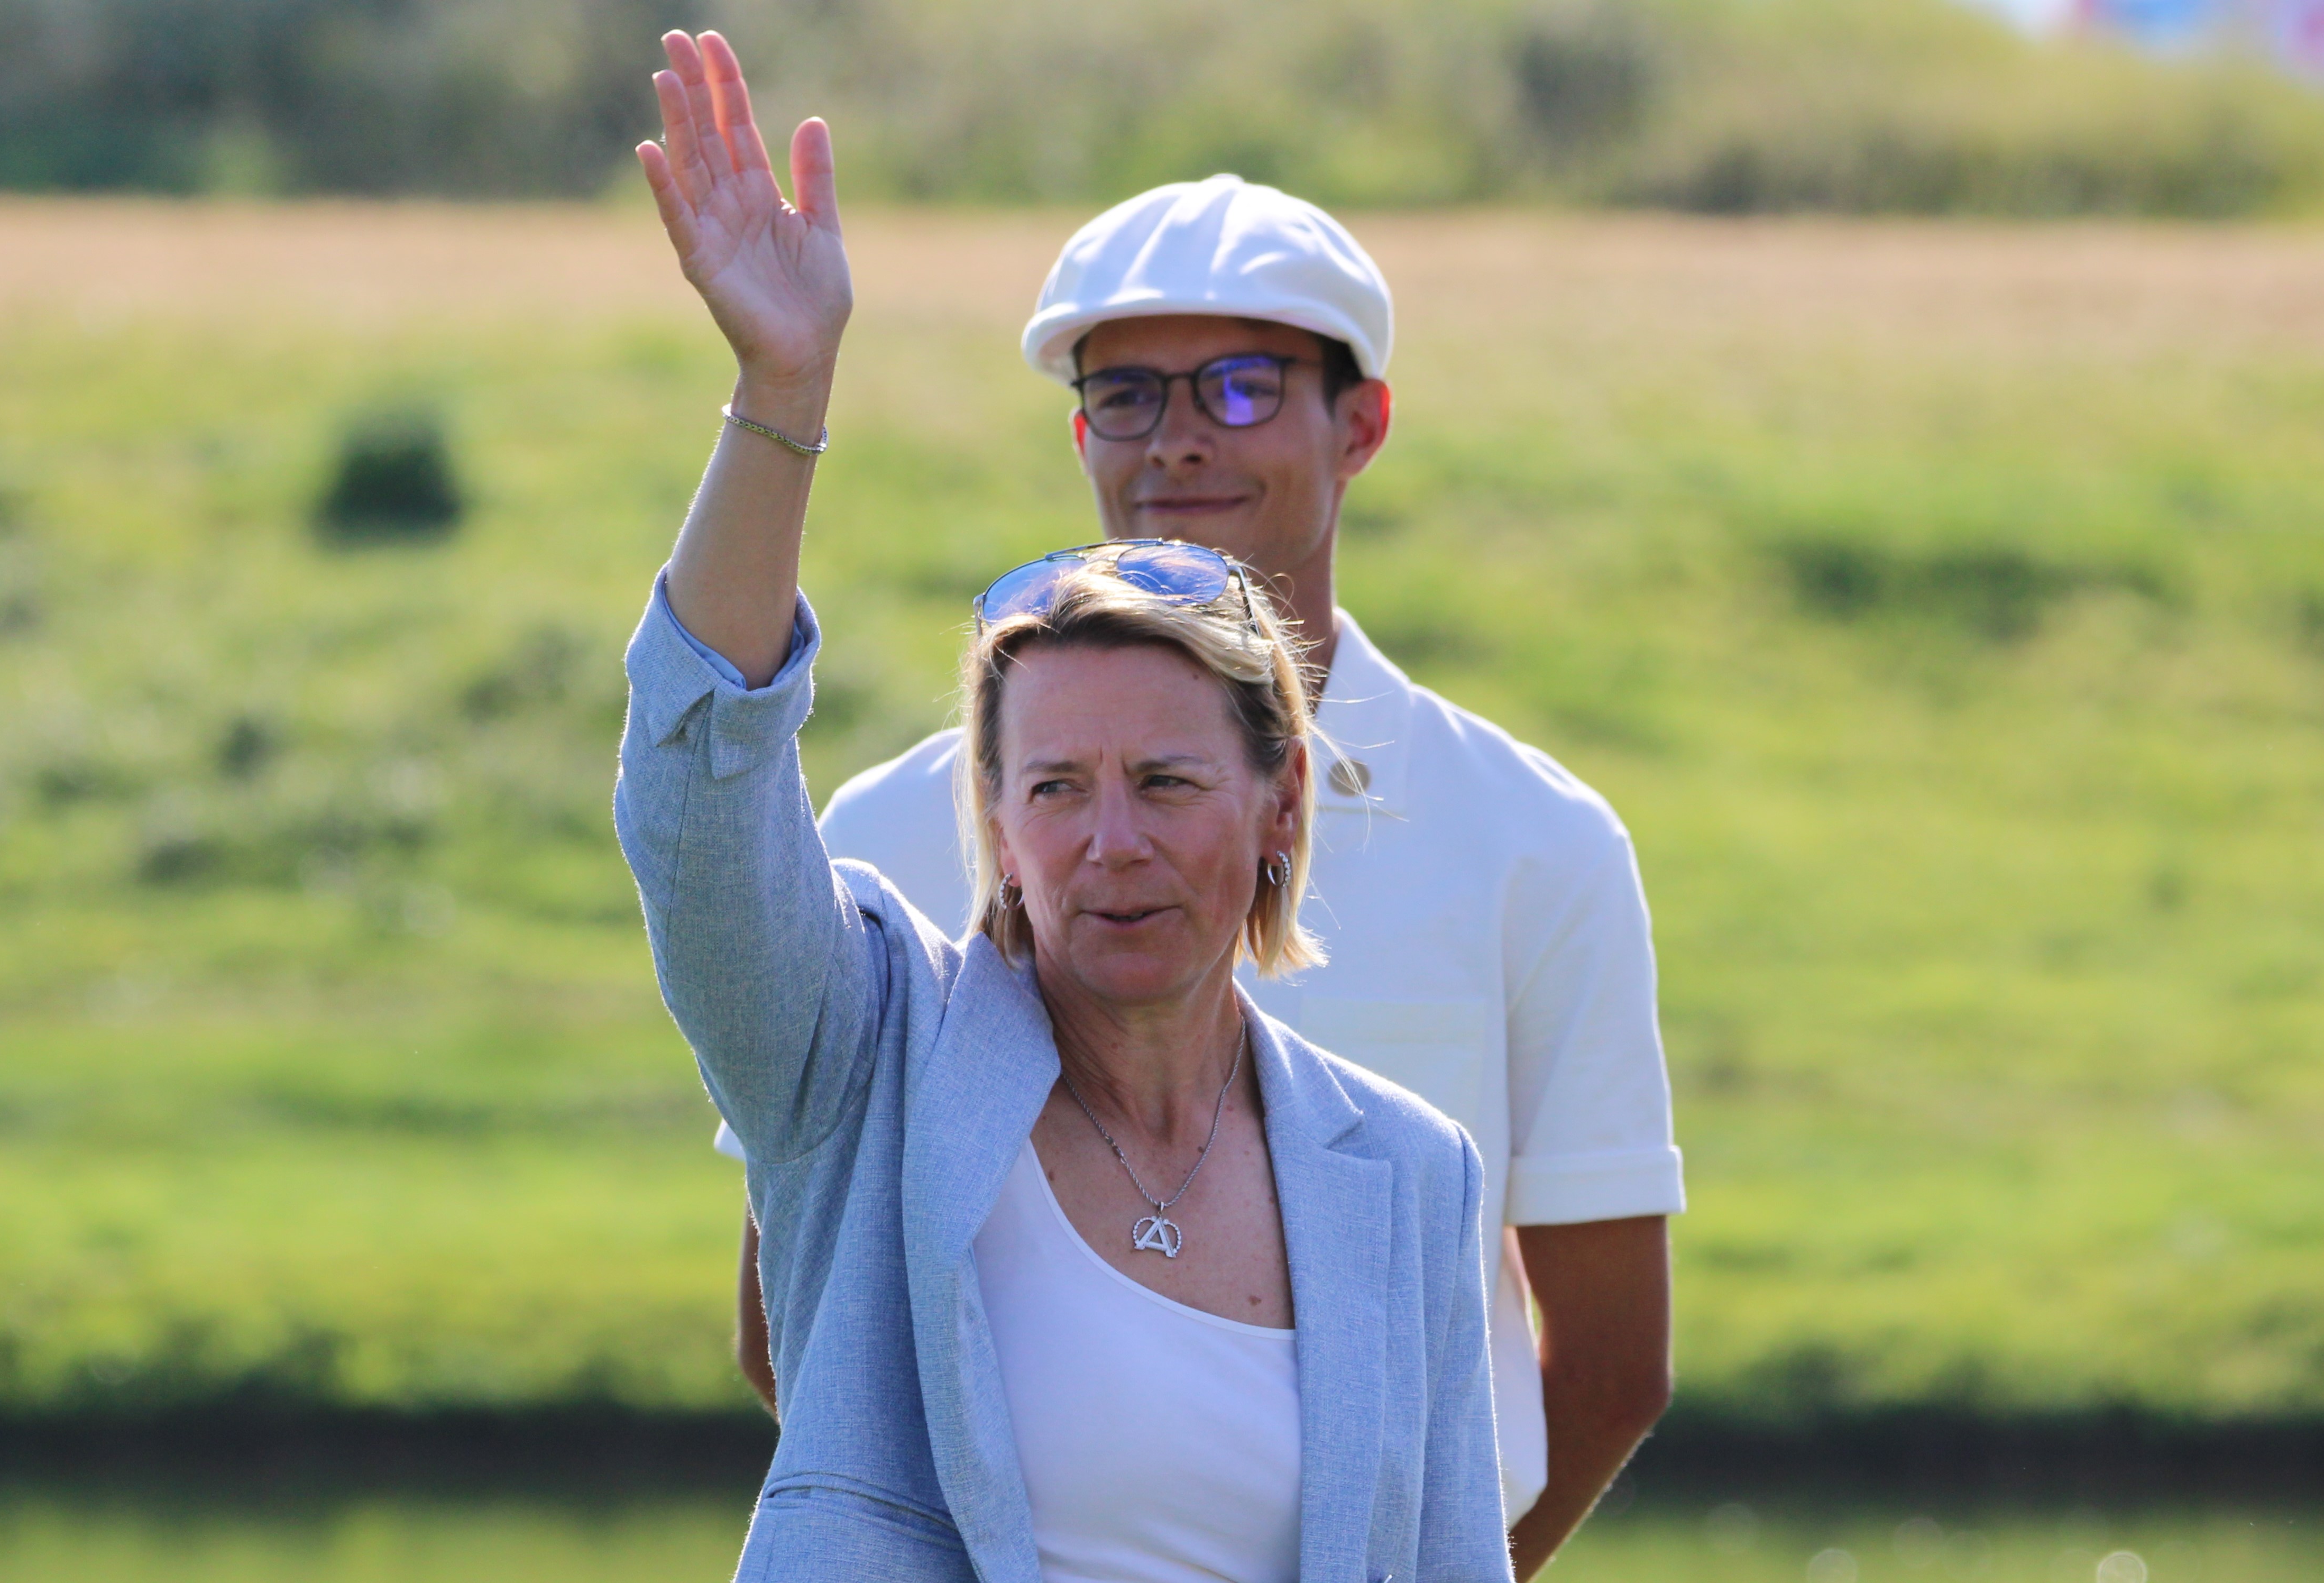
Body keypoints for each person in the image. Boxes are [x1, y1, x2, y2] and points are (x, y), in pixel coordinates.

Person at [623, 30, 1510, 1582]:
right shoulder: (868, 1059)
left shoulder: (1408, 1169)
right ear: (996, 814)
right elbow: (699, 798)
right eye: (1055, 787)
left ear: (1276, 801)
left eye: (1166, 781)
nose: (1110, 842)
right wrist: (783, 390)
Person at [719, 170, 1685, 1571]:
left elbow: (1605, 1365)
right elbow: (804, 1326)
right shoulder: (885, 833)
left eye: (1240, 387)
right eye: (1127, 395)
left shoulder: (1538, 841)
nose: (1176, 441)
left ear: (1361, 424)